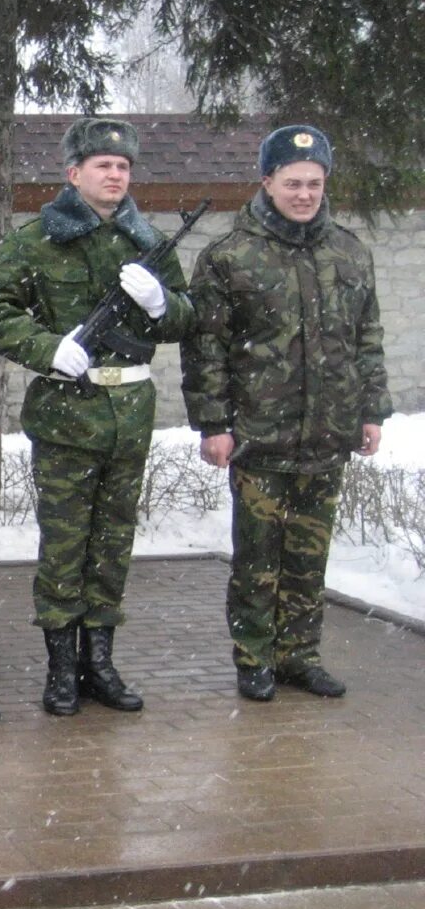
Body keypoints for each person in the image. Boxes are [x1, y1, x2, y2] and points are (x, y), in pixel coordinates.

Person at [0, 118, 194, 716]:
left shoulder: (148, 239)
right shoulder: (38, 238)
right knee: (65, 545)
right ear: (74, 174)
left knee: (113, 542)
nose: (115, 175)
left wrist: (161, 302)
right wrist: (48, 349)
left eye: (123, 167)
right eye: (103, 165)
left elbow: (187, 320)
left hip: (129, 416)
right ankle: (62, 668)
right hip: (68, 415)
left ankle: (101, 663)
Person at [181, 125, 389, 702]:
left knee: (308, 557)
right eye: (292, 182)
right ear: (267, 181)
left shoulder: (349, 250)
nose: (304, 194)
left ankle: (300, 656)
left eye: (314, 183)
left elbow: (366, 337)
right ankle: (255, 659)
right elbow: (206, 351)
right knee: (257, 560)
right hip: (258, 437)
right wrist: (213, 425)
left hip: (327, 432)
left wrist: (372, 410)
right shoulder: (229, 256)